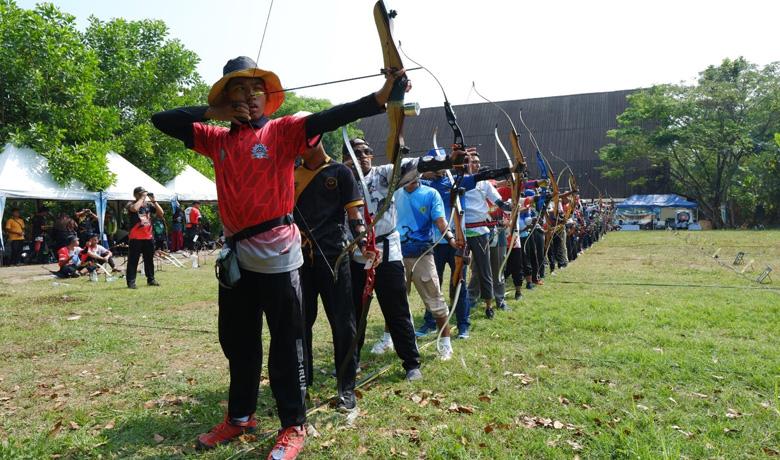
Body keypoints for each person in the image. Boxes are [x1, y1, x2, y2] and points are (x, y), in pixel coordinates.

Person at [151, 55, 409, 457]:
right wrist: (215, 112)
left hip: (277, 252)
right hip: (236, 253)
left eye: (255, 89)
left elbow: (329, 117)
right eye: (238, 89)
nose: (249, 97)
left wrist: (381, 96)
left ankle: (293, 424)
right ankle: (240, 417)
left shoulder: (283, 131)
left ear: (266, 96)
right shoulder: (216, 138)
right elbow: (161, 120)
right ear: (226, 97)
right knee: (237, 341)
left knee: (287, 341)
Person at [293, 131, 370, 413]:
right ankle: (303, 382)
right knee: (300, 323)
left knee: (343, 322)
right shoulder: (291, 174)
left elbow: (355, 218)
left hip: (335, 257)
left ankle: (346, 387)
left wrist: (363, 242)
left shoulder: (340, 173)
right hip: (300, 258)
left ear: (315, 138)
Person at [341, 137, 422, 378]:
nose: (364, 156)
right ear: (347, 158)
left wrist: (449, 160)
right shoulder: (341, 180)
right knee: (353, 312)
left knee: (395, 308)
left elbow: (417, 165)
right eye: (357, 152)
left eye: (367, 151)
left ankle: (411, 363)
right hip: (355, 251)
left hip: (387, 248)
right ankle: (351, 361)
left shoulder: (384, 174)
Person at [395, 177, 458, 360]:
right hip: (395, 254)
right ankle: (387, 339)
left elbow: (440, 221)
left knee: (435, 299)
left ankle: (445, 344)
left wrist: (452, 240)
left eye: (414, 173)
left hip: (422, 254)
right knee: (394, 300)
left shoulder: (430, 194)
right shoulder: (395, 193)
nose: (410, 177)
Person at [125, 187, 164, 289]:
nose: (144, 195)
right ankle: (131, 282)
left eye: (144, 194)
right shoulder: (130, 203)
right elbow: (134, 209)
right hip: (135, 238)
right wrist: (142, 198)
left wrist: (154, 201)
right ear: (136, 195)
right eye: (141, 194)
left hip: (148, 237)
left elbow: (161, 213)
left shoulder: (148, 205)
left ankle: (151, 279)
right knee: (133, 260)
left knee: (149, 260)